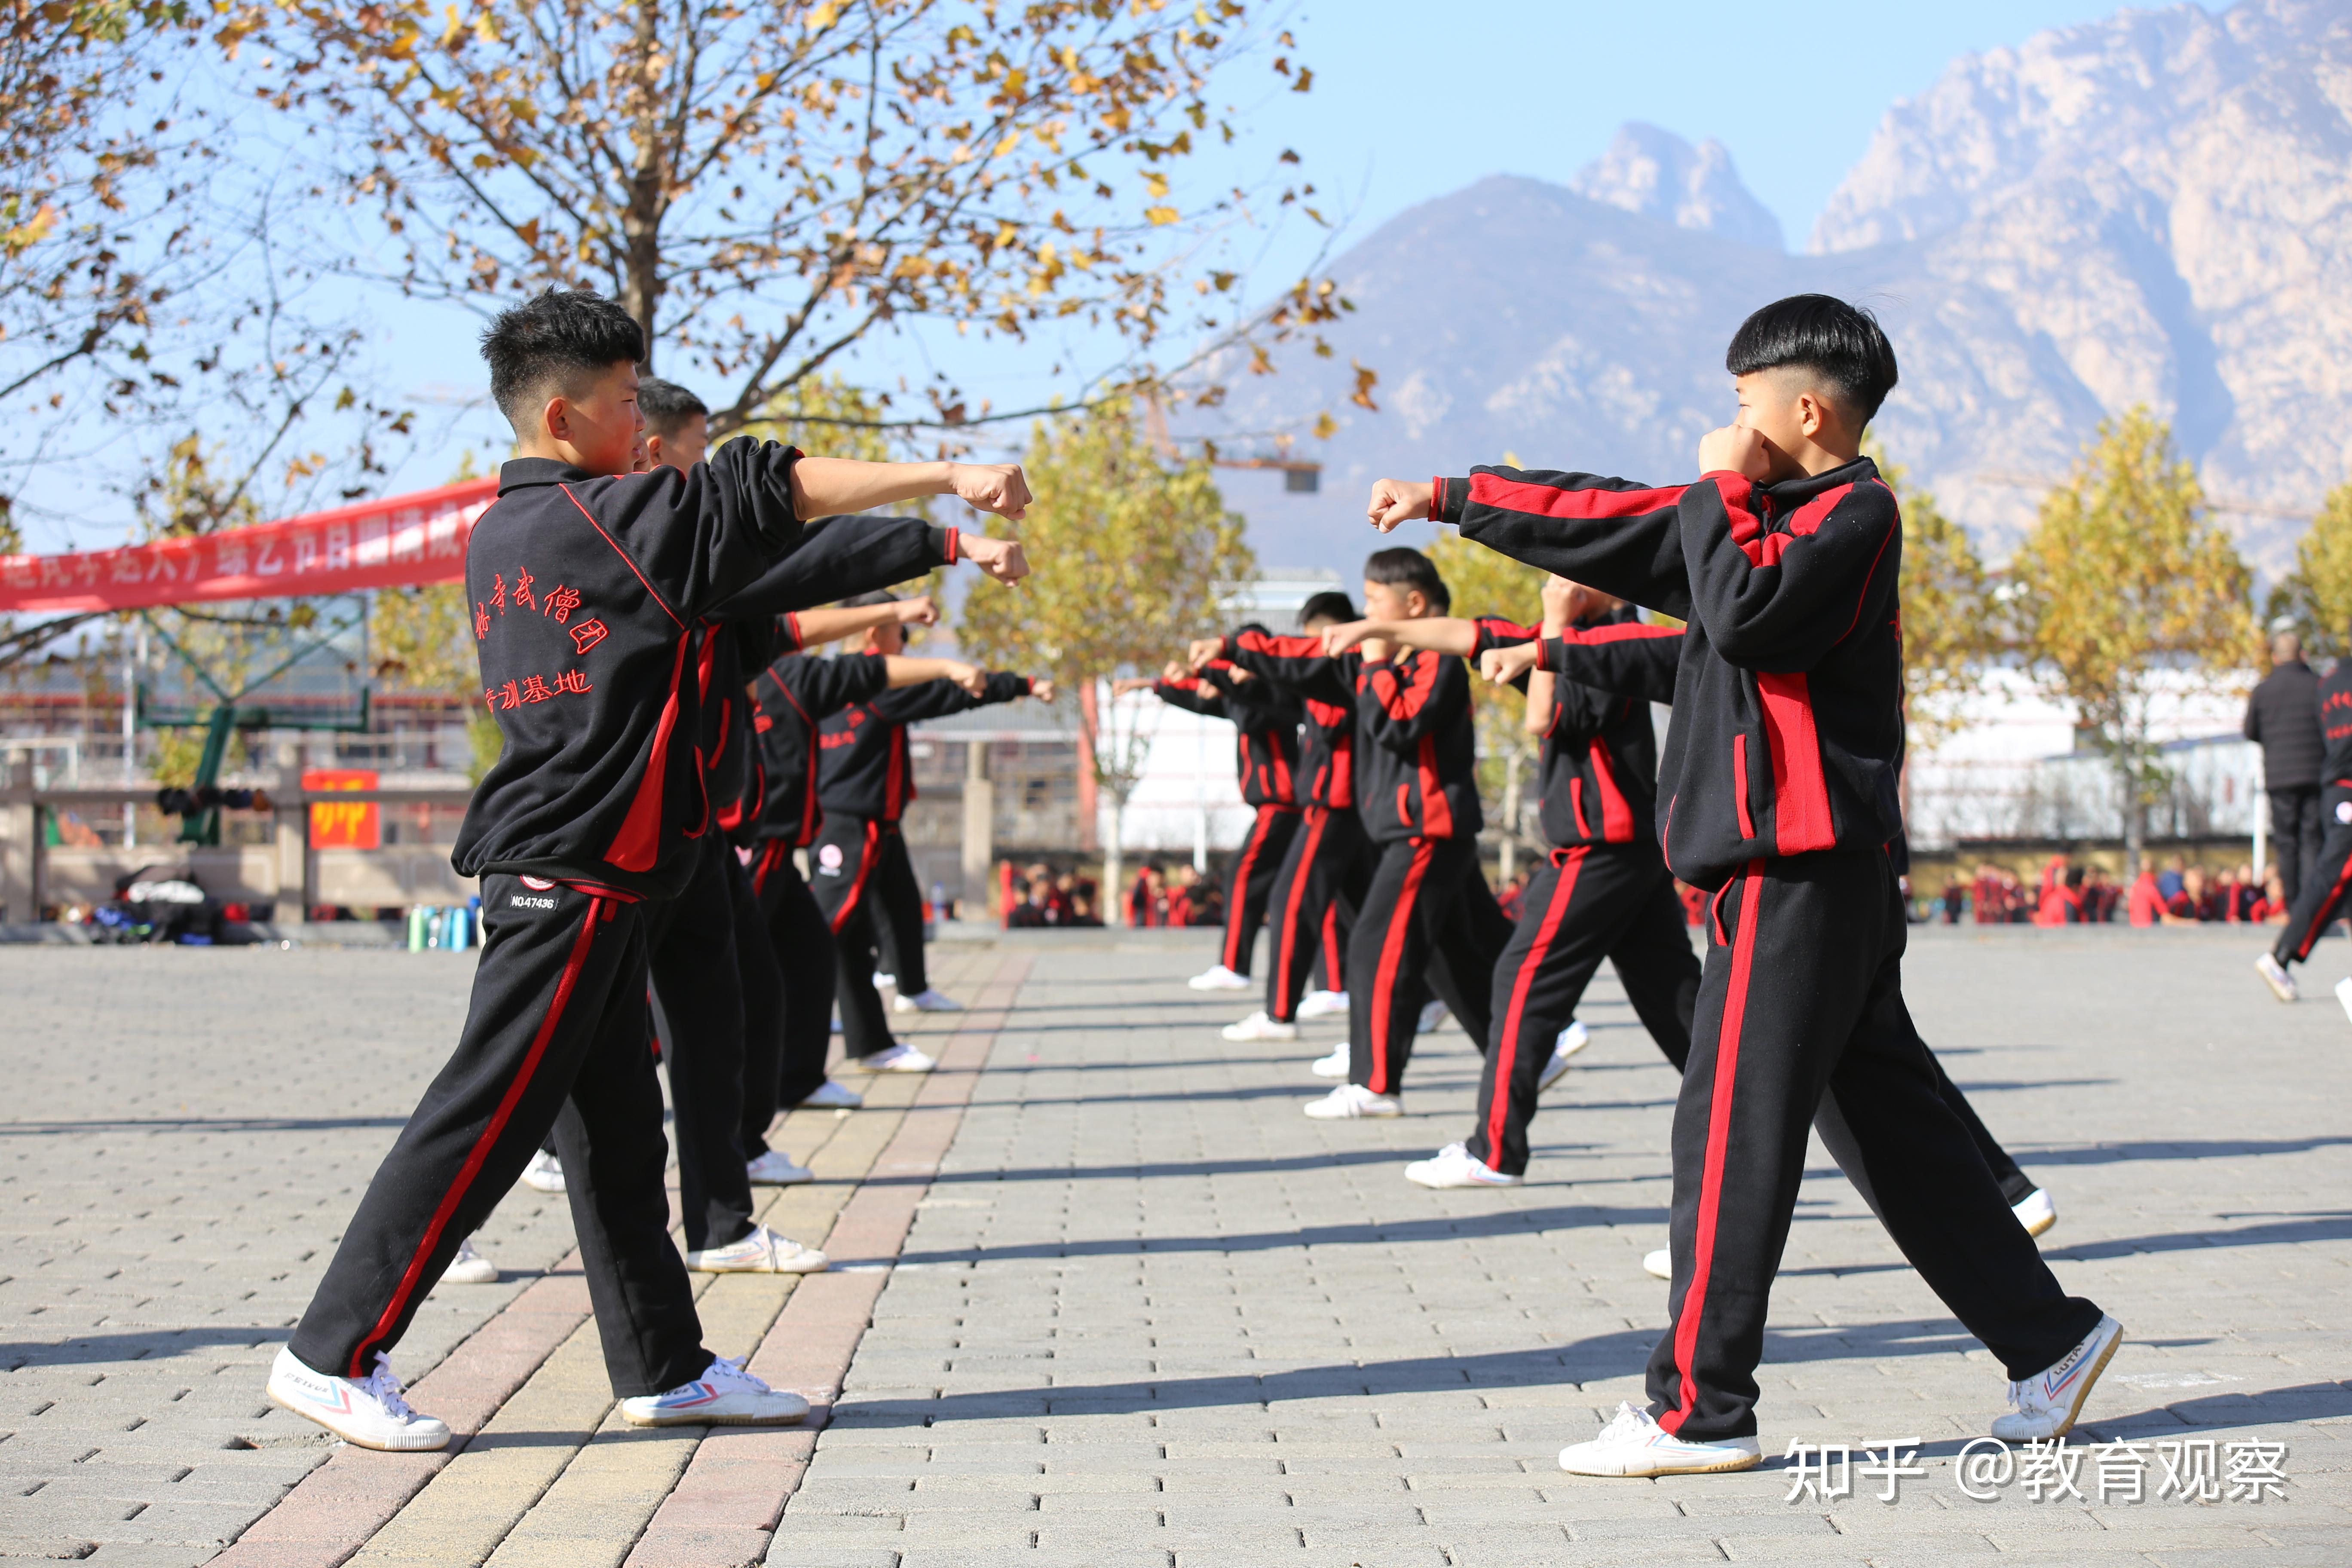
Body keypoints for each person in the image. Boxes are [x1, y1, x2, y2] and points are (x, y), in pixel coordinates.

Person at [266, 286, 1035, 1451]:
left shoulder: (516, 530)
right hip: (572, 869)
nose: (648, 427)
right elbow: (768, 487)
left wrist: (930, 545)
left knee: (621, 1138)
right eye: (631, 405)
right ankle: (332, 1352)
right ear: (568, 418)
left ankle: (665, 1368)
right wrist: (944, 477)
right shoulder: (599, 522)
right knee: (484, 1112)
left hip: (603, 872)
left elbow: (769, 573)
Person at [1368, 292, 2116, 1476]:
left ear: (1804, 408)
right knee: (1894, 1139)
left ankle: (1697, 1409)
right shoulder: (1747, 516)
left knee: (1726, 1135)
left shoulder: (1852, 517)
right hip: (1800, 883)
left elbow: (1749, 616)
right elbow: (1614, 517)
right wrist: (1459, 498)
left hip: (1801, 877)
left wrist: (1714, 490)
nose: (1724, 427)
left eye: (1739, 403)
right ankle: (2052, 1341)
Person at [1322, 575, 1696, 1183]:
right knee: (1681, 1003)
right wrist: (1378, 630)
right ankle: (1768, 1106)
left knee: (1521, 981)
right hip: (1624, 853)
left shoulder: (1623, 640)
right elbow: (1464, 633)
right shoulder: (1565, 637)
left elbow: (1544, 718)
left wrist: (1550, 623)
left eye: (1568, 575)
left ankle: (1495, 1152)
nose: (1556, 584)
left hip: (1600, 848)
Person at [1197, 548, 1510, 1118]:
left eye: (1372, 601)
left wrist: (1372, 666)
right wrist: (1232, 648)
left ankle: (1375, 1083)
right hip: (1405, 832)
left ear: (1412, 604)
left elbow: (1398, 725)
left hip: (1427, 831)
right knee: (1450, 958)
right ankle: (1521, 1060)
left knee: (1373, 945)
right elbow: (1304, 659)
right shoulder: (1385, 659)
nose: (1364, 614)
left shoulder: (1433, 663)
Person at [812, 596, 1050, 1065]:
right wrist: (1022, 684)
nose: (907, 644)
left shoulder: (832, 677)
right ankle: (817, 1024)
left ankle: (902, 1001)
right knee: (831, 931)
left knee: (895, 910)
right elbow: (949, 692)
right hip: (850, 828)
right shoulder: (870, 679)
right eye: (902, 632)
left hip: (873, 824)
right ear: (873, 632)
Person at [1215, 591, 1371, 1043]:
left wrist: (1236, 652)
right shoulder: (1334, 673)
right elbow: (1275, 693)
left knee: (1290, 902)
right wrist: (1222, 674)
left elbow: (1290, 669)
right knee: (1367, 918)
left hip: (1338, 802)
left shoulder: (1351, 667)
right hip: (1341, 805)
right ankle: (1413, 1006)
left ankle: (1280, 1013)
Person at [1117, 659, 1304, 992]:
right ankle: (1333, 985)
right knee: (1308, 893)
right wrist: (1150, 684)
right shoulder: (1241, 699)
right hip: (1277, 808)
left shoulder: (1270, 697)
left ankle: (1235, 966)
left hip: (1283, 805)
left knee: (1243, 876)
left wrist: (1214, 679)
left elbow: (1241, 710)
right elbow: (1199, 699)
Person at [2255, 640, 2352, 999]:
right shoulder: (2323, 682)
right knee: (2333, 870)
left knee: (2309, 857)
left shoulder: (2326, 681)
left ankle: (2284, 956)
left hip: (2318, 784)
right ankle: (2281, 956)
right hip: (2340, 786)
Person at [2246, 629, 2325, 905]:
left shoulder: (2263, 691)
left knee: (2287, 843)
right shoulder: (2319, 686)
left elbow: (2250, 731)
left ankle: (2293, 906)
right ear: (2302, 654)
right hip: (2316, 775)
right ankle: (2312, 906)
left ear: (2275, 657)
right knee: (2312, 840)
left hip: (2279, 778)